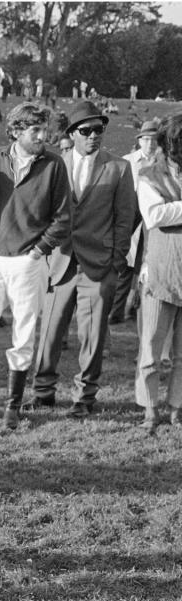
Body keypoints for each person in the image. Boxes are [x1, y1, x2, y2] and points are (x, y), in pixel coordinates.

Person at [0, 102, 71, 429]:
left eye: (44, 130)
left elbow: (64, 218)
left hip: (28, 261)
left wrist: (38, 251)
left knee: (23, 332)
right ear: (16, 131)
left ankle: (13, 405)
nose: (43, 136)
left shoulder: (54, 165)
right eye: (34, 130)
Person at [32, 101, 136, 417]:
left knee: (92, 336)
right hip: (60, 261)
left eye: (99, 130)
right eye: (86, 130)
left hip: (99, 265)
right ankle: (43, 393)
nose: (94, 136)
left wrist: (116, 259)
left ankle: (84, 397)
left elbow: (125, 218)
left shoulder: (119, 167)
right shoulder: (53, 165)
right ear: (72, 134)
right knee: (49, 332)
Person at [134, 114, 182, 432]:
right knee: (151, 345)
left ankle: (178, 408)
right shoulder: (149, 175)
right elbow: (154, 215)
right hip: (162, 270)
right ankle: (150, 409)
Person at [114, 120, 162, 325]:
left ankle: (137, 308)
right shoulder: (128, 161)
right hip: (130, 217)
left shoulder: (163, 163)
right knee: (125, 264)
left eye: (154, 140)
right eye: (146, 139)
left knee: (147, 265)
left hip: (153, 220)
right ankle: (117, 311)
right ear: (140, 141)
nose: (150, 144)